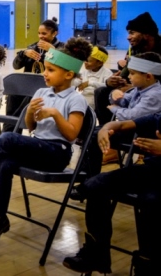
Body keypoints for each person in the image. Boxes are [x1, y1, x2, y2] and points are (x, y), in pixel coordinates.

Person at [0, 38, 93, 244]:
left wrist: (55, 114)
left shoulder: (76, 99)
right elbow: (32, 127)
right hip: (38, 146)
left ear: (68, 74)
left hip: (57, 153)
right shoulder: (41, 92)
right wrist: (30, 111)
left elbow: (72, 135)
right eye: (45, 69)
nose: (45, 74)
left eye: (51, 70)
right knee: (4, 163)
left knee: (8, 137)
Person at [62, 113, 161, 276]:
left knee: (150, 200)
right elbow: (122, 125)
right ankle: (97, 255)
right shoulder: (158, 117)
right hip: (151, 171)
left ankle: (146, 263)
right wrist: (105, 129)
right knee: (96, 185)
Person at [77, 52, 161, 175]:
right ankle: (86, 175)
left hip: (143, 134)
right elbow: (124, 99)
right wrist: (114, 94)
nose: (129, 77)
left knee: (94, 135)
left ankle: (87, 175)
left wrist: (116, 109)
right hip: (133, 130)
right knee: (94, 133)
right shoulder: (139, 88)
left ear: (148, 76)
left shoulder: (154, 95)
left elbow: (133, 116)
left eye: (132, 73)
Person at [94, 12, 161, 125]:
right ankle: (106, 128)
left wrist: (135, 87)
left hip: (153, 94)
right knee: (101, 92)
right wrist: (111, 82)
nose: (128, 37)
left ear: (146, 34)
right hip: (135, 90)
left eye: (132, 33)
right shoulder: (134, 49)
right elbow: (123, 75)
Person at [5, 17, 65, 130]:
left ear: (54, 33)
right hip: (28, 84)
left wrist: (54, 52)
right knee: (13, 96)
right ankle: (9, 131)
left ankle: (11, 130)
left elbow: (69, 67)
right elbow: (15, 66)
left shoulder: (63, 48)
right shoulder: (33, 47)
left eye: (44, 33)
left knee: (31, 97)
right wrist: (23, 54)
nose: (41, 36)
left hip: (49, 88)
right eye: (39, 33)